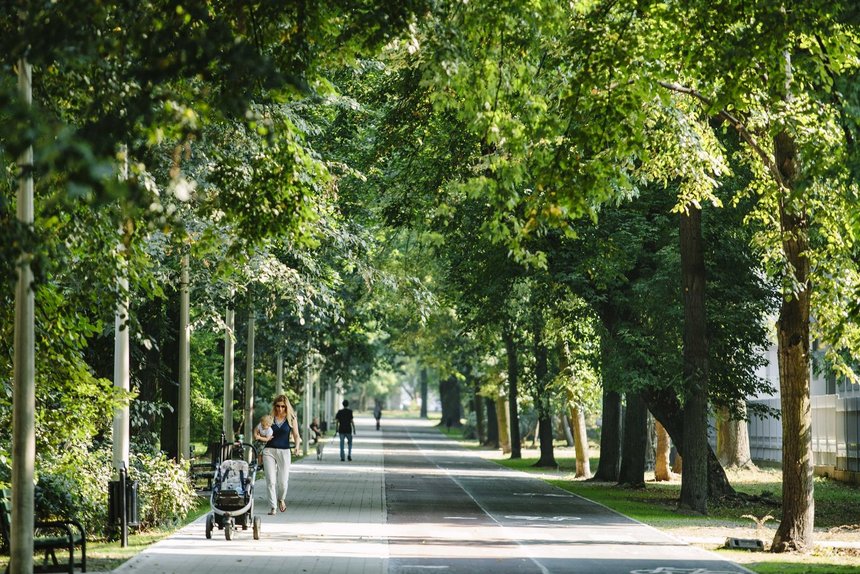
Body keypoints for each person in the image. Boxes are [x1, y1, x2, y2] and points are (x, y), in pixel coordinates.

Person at [260, 394, 300, 515]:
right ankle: (273, 507)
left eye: (283, 406)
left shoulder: (291, 418)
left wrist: (297, 447)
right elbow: (259, 431)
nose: (280, 409)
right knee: (271, 481)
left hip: (284, 451)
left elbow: (296, 435)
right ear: (274, 406)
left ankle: (281, 499)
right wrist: (260, 437)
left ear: (286, 406)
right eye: (278, 406)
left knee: (283, 482)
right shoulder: (270, 418)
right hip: (269, 451)